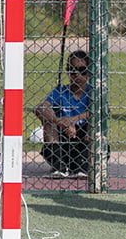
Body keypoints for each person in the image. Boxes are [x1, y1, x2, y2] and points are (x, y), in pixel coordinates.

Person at [34, 50, 91, 178]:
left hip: (82, 138)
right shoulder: (61, 91)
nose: (77, 74)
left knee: (92, 125)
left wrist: (73, 120)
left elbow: (104, 110)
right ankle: (59, 166)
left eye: (82, 70)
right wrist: (59, 121)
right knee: (48, 123)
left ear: (88, 72)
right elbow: (41, 108)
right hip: (63, 138)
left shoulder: (92, 92)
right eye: (72, 70)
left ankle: (81, 166)